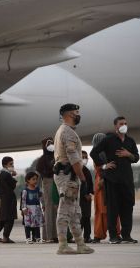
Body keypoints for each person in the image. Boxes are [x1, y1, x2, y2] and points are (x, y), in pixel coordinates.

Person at [90, 116, 139, 244]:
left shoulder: (130, 141)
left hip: (127, 180)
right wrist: (104, 165)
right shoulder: (109, 140)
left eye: (126, 123)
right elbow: (94, 153)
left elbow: (136, 157)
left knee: (128, 208)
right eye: (121, 123)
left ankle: (127, 235)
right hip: (112, 180)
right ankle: (113, 236)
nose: (124, 125)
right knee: (113, 209)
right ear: (115, 126)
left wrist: (129, 155)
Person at [53, 103, 94, 254]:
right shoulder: (68, 132)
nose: (78, 115)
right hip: (68, 176)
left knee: (75, 211)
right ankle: (63, 245)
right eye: (76, 112)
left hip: (68, 176)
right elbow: (74, 158)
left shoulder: (63, 130)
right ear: (70, 114)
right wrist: (82, 177)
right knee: (65, 210)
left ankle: (80, 244)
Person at [90, 133, 122, 243]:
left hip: (104, 183)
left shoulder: (102, 154)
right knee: (102, 210)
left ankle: (106, 234)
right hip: (102, 185)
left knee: (108, 210)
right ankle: (101, 234)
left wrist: (103, 179)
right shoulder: (99, 154)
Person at [0, 157, 17, 243]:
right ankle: (6, 237)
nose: (12, 166)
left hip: (4, 199)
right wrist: (13, 177)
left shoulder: (2, 174)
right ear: (5, 165)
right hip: (9, 199)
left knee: (3, 219)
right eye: (10, 164)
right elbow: (12, 185)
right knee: (10, 219)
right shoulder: (6, 175)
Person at [36, 137, 58, 243]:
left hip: (56, 183)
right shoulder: (43, 159)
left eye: (53, 143)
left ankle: (55, 235)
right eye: (49, 143)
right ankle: (48, 236)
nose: (51, 145)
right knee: (49, 209)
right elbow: (41, 174)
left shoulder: (56, 156)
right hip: (48, 183)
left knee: (56, 209)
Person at [21, 172, 44, 244]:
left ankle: (38, 238)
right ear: (28, 180)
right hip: (28, 209)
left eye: (36, 179)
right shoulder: (25, 191)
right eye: (33, 179)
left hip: (37, 209)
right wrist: (24, 208)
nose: (35, 181)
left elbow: (41, 198)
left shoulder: (38, 189)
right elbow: (23, 200)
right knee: (28, 224)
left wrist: (43, 205)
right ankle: (28, 238)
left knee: (37, 223)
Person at [80, 151, 94, 243]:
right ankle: (78, 236)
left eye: (86, 157)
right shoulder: (75, 170)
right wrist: (84, 194)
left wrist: (90, 193)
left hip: (86, 199)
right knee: (79, 219)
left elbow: (90, 184)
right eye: (83, 157)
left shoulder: (86, 170)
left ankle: (87, 236)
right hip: (78, 198)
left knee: (86, 217)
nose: (85, 159)